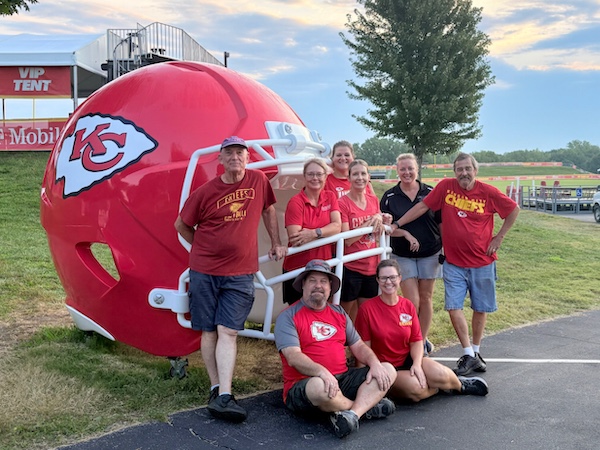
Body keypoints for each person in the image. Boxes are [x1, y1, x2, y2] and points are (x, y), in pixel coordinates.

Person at [174, 136, 287, 423]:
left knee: (229, 330)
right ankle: (216, 389)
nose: (235, 157)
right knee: (209, 330)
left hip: (239, 273)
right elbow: (182, 224)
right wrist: (202, 247)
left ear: (248, 158)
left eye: (240, 153)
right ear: (221, 159)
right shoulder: (205, 192)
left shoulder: (258, 181)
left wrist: (276, 241)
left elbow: (268, 209)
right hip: (205, 271)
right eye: (230, 153)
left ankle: (225, 394)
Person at [392, 152, 519, 376]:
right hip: (454, 262)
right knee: (453, 307)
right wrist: (397, 223)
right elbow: (422, 207)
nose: (464, 173)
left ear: (475, 170)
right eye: (459, 169)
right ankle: (468, 352)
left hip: (482, 261)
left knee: (480, 308)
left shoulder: (488, 192)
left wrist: (499, 238)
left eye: (467, 168)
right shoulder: (446, 187)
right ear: (454, 172)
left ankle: (475, 352)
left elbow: (513, 210)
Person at [274, 259, 397, 438]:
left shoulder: (339, 312)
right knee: (319, 387)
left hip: (342, 379)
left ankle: (352, 415)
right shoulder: (287, 316)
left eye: (323, 281)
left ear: (330, 287)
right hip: (306, 384)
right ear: (303, 285)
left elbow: (358, 345)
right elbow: (293, 357)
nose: (318, 285)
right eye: (312, 280)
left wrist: (375, 363)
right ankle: (365, 407)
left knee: (387, 370)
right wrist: (322, 372)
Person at [356, 259, 488, 402]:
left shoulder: (407, 305)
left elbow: (416, 340)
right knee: (416, 388)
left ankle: (459, 385)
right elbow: (363, 348)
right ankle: (440, 387)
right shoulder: (367, 309)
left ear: (400, 278)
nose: (388, 282)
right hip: (386, 368)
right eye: (384, 278)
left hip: (408, 359)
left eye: (392, 277)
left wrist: (417, 364)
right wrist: (363, 379)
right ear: (377, 280)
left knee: (440, 374)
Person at [381, 153, 442, 356]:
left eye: (410, 168)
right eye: (403, 169)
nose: (407, 172)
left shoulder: (431, 192)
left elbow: (441, 222)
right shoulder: (389, 197)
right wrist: (405, 234)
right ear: (397, 171)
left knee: (426, 298)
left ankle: (422, 340)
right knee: (412, 301)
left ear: (417, 170)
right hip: (402, 255)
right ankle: (411, 338)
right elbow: (387, 228)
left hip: (430, 252)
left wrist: (445, 248)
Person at [281, 158, 341, 304]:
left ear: (325, 176)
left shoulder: (330, 196)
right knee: (297, 313)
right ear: (304, 176)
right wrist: (327, 232)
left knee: (322, 311)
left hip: (324, 267)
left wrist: (314, 233)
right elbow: (296, 238)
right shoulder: (296, 202)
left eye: (319, 174)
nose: (315, 178)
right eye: (311, 174)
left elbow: (337, 227)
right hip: (298, 269)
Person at [338, 160, 386, 323]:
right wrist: (369, 223)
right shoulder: (342, 203)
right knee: (344, 314)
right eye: (355, 174)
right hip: (351, 266)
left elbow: (378, 228)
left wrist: (381, 218)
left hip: (371, 266)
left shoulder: (373, 200)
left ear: (368, 177)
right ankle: (343, 337)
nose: (360, 177)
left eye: (363, 173)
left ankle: (360, 339)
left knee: (366, 314)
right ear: (349, 178)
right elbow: (347, 239)